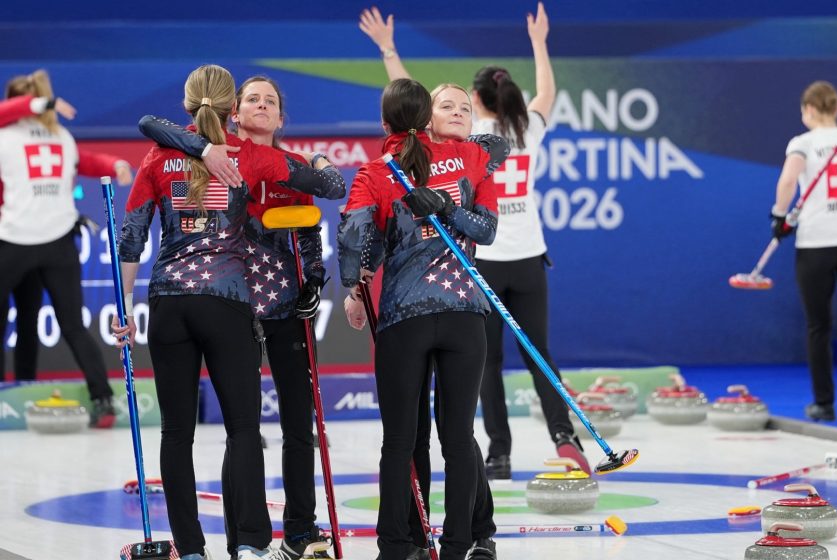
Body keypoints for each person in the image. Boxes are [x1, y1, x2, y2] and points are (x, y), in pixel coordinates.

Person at [113, 64, 341, 560]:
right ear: (232, 110)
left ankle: (192, 550)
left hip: (171, 301)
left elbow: (130, 237)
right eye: (249, 100)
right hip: (227, 302)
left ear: (190, 105)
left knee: (176, 433)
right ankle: (254, 547)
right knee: (242, 429)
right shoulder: (251, 156)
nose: (260, 107)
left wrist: (122, 307)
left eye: (269, 101)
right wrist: (319, 161)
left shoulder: (159, 156)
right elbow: (328, 186)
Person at [359, 2, 589, 479]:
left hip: (478, 258)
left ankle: (499, 452)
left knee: (489, 362)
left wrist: (388, 50)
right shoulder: (527, 129)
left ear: (476, 102)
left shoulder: (464, 135)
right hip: (528, 258)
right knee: (539, 351)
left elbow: (412, 100)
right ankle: (564, 434)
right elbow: (548, 90)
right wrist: (540, 42)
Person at [338, 78, 507, 560]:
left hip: (404, 318)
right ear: (425, 116)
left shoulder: (377, 170)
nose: (457, 113)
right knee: (456, 439)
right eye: (445, 106)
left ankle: (396, 548)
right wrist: (454, 205)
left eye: (463, 107)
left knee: (400, 441)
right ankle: (454, 547)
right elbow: (489, 230)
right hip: (462, 316)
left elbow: (353, 242)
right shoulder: (473, 160)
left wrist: (351, 283)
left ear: (386, 122)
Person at [0, 69, 132, 427]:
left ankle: (10, 396)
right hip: (58, 242)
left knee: (16, 322)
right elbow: (88, 162)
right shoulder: (61, 137)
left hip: (13, 241)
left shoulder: (3, 137)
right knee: (72, 324)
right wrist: (115, 164)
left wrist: (42, 103)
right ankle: (103, 400)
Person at [770, 80, 837, 423]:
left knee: (819, 326)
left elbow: (789, 181)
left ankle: (824, 404)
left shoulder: (803, 143)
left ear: (810, 110)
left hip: (816, 243)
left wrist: (778, 215)